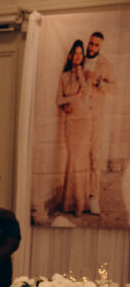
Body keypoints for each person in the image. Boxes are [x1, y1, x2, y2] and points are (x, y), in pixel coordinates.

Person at [56, 39, 92, 217]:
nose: (78, 56)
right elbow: (59, 99)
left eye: (80, 53)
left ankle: (80, 203)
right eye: (75, 53)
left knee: (81, 162)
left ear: (83, 56)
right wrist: (70, 101)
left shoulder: (86, 74)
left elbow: (87, 93)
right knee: (73, 161)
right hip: (70, 122)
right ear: (70, 56)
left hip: (84, 121)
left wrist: (80, 75)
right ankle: (70, 203)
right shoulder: (63, 76)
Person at [83, 31, 116, 215]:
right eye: (91, 43)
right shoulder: (79, 59)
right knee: (79, 158)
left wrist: (97, 82)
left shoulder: (106, 64)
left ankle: (94, 197)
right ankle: (79, 196)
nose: (92, 47)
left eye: (96, 45)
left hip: (96, 117)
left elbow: (114, 88)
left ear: (100, 46)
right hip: (78, 117)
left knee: (94, 158)